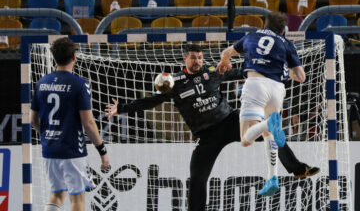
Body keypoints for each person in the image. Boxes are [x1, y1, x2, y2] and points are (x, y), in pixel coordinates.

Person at [105, 43, 318, 211]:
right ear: (184, 58)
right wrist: (122, 108)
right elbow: (151, 101)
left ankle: (297, 168)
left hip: (229, 121)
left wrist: (273, 71)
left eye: (199, 57)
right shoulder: (174, 82)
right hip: (206, 135)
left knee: (269, 131)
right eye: (193, 57)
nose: (197, 61)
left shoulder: (213, 72)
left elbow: (244, 72)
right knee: (197, 178)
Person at [216, 11, 314, 196]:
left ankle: (269, 123)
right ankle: (272, 177)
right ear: (283, 30)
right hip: (277, 89)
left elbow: (227, 52)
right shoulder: (286, 44)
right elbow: (301, 77)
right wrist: (290, 73)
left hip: (255, 84)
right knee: (269, 134)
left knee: (246, 139)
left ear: (264, 25)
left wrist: (224, 63)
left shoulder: (251, 36)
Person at [30, 37, 110, 211]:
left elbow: (32, 120)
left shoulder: (41, 83)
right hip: (72, 150)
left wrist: (47, 136)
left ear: (54, 57)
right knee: (77, 199)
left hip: (50, 149)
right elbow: (88, 123)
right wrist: (102, 151)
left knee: (57, 194)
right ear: (74, 56)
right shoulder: (80, 85)